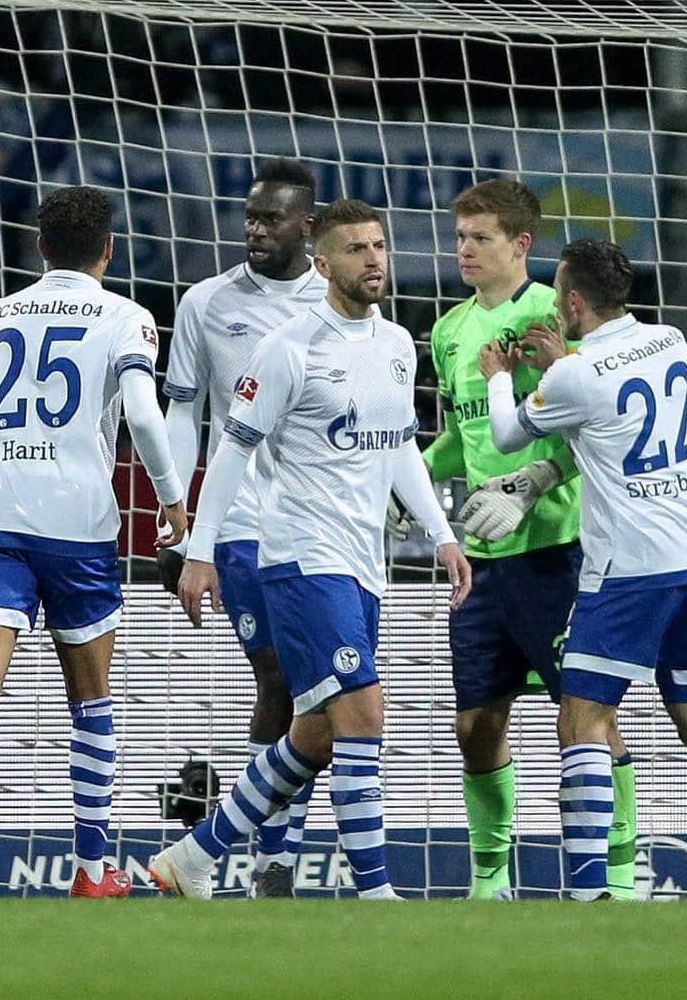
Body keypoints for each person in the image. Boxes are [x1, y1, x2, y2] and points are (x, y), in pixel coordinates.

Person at [147, 198, 472, 899]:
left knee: (318, 733)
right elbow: (233, 451)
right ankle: (378, 894)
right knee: (363, 712)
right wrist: (199, 550)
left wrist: (442, 534)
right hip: (298, 554)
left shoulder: (394, 344)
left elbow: (400, 449)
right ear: (323, 263)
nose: (375, 259)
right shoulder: (290, 348)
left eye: (380, 245)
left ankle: (196, 856)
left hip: (364, 563)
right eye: (357, 249)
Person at [480, 237, 687, 901]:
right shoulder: (671, 340)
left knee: (583, 717)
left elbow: (509, 433)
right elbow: (610, 400)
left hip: (627, 568)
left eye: (558, 294)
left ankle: (590, 890)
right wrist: (565, 361)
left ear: (573, 301)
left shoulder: (572, 375)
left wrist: (499, 377)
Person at [0, 186, 187, 899]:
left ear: (40, 246)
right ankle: (90, 871)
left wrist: (6, 439)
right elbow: (145, 418)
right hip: (76, 526)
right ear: (110, 250)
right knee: (90, 699)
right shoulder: (127, 317)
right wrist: (174, 500)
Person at [414, 179, 638, 899]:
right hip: (482, 563)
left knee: (588, 714)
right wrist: (408, 480)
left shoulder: (554, 313)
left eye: (480, 238)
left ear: (521, 244)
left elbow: (598, 428)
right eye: (460, 238)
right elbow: (463, 436)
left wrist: (538, 478)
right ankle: (491, 875)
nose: (465, 251)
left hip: (557, 553)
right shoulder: (448, 332)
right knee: (476, 721)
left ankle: (622, 872)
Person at [158, 158, 325, 897]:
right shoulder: (205, 303)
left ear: (308, 226)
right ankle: (272, 860)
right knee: (279, 675)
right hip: (243, 521)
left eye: (271, 218)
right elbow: (183, 414)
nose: (255, 230)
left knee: (320, 690)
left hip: (327, 522)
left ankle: (272, 855)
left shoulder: (339, 301)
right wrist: (177, 511)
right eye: (250, 217)